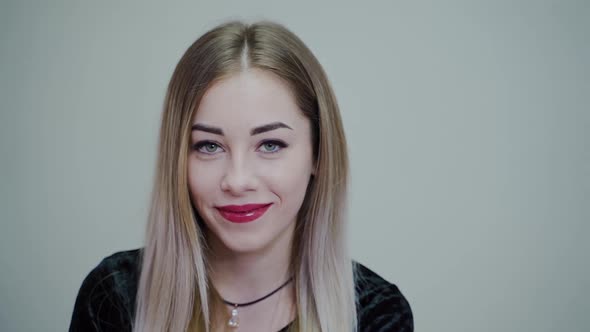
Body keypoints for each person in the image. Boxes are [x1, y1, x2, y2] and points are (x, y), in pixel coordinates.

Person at [68, 20, 413, 332]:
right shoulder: (114, 296)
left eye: (271, 145)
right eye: (208, 146)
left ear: (318, 154)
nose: (237, 180)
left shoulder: (375, 315)